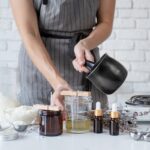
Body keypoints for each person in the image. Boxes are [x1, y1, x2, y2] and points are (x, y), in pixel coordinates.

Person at [10, 0, 116, 110]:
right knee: (37, 122)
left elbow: (106, 23)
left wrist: (85, 44)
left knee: (89, 122)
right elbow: (30, 33)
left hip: (84, 61)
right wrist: (57, 83)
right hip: (39, 67)